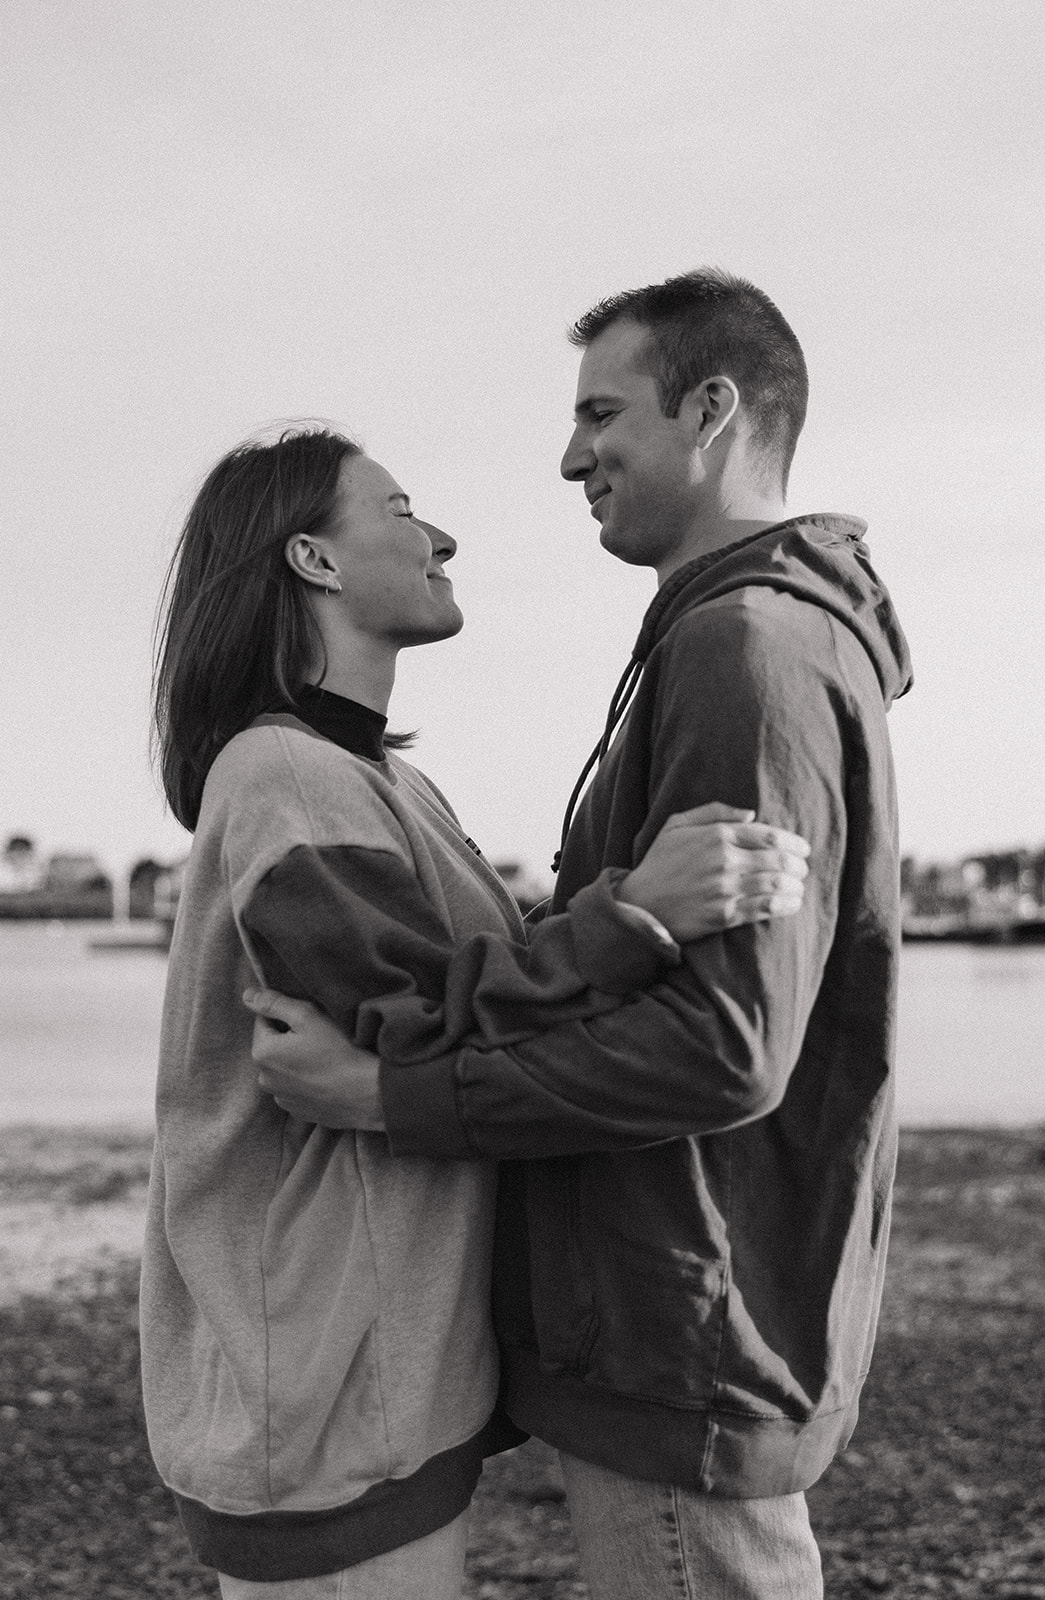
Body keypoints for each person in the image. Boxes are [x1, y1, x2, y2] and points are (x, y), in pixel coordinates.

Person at [246, 269, 914, 1599]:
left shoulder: (744, 651)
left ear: (709, 410)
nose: (568, 458)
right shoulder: (724, 641)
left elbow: (720, 1050)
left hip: (682, 1338)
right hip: (682, 1318)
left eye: (599, 413)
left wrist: (394, 1095)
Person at [139, 424, 811, 1600]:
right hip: (317, 1400)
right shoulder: (281, 776)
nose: (440, 534)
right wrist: (634, 913)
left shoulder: (388, 780)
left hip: (377, 1381)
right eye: (398, 510)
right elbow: (414, 1021)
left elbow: (460, 1009)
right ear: (313, 560)